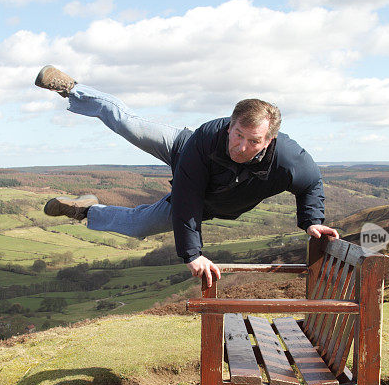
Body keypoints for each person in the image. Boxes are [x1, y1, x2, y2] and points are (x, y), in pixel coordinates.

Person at [35, 66, 339, 287]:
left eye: (254, 141)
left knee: (139, 225)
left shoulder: (290, 160)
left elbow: (311, 184)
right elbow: (186, 197)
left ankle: (86, 210)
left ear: (270, 140)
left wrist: (312, 220)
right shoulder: (208, 137)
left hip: (211, 201)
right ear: (230, 125)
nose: (241, 146)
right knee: (130, 125)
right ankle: (72, 89)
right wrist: (193, 253)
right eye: (237, 134)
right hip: (186, 151)